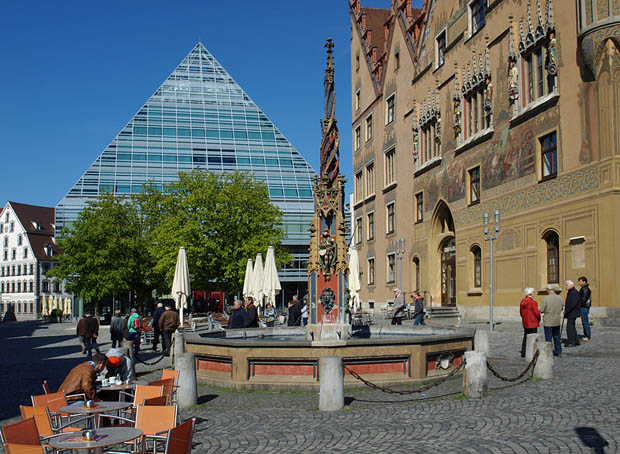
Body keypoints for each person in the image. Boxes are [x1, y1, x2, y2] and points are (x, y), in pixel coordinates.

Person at [540, 284, 563, 357]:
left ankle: (549, 351)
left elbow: (542, 310)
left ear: (548, 290)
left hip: (548, 321)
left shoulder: (546, 298)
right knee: (557, 337)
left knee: (548, 338)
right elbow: (562, 307)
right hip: (556, 320)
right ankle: (558, 351)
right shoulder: (560, 298)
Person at [519, 288, 541, 358]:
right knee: (533, 338)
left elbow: (521, 313)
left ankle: (524, 352)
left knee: (526, 337)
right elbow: (537, 313)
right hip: (533, 322)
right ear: (531, 293)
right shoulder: (533, 302)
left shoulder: (522, 301)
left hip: (526, 322)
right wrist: (539, 319)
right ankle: (531, 352)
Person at [564, 280, 581, 347]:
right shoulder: (572, 292)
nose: (565, 286)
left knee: (570, 327)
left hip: (572, 312)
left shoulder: (573, 293)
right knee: (572, 327)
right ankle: (576, 341)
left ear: (571, 285)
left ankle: (572, 341)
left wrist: (567, 311)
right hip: (572, 312)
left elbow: (572, 304)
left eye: (567, 285)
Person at [578, 276, 592, 342]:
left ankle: (587, 336)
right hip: (584, 307)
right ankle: (586, 335)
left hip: (584, 307)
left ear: (584, 282)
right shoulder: (584, 288)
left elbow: (583, 299)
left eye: (580, 281)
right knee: (584, 322)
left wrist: (579, 305)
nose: (579, 282)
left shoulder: (585, 289)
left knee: (585, 322)